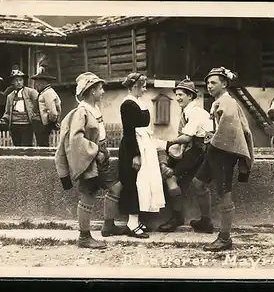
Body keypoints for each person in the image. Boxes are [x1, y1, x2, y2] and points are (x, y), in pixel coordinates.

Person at [55, 72, 127, 249]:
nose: (103, 92)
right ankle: (84, 237)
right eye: (100, 88)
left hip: (100, 156)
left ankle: (108, 225)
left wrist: (103, 151)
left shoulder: (94, 109)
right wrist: (95, 153)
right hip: (90, 159)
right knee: (88, 195)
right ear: (92, 91)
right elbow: (76, 139)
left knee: (116, 187)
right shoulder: (81, 112)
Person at [190, 67, 254, 252]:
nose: (209, 86)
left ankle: (225, 238)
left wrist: (213, 141)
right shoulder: (219, 101)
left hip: (224, 153)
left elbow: (230, 129)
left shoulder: (229, 103)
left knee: (224, 193)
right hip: (215, 150)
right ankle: (205, 221)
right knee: (198, 183)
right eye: (208, 83)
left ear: (224, 84)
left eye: (213, 83)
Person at [157, 77, 213, 232]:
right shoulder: (188, 111)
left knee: (171, 176)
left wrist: (167, 143)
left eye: (181, 94)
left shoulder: (195, 112)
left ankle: (177, 217)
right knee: (172, 174)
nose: (178, 98)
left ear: (191, 96)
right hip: (192, 148)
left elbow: (187, 137)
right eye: (177, 94)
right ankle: (203, 220)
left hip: (199, 149)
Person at [118, 72, 165, 239]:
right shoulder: (128, 104)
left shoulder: (139, 102)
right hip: (134, 147)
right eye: (142, 86)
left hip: (144, 144)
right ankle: (131, 223)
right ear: (133, 86)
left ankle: (136, 220)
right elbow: (129, 132)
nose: (145, 89)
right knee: (134, 182)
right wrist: (135, 155)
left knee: (143, 183)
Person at [0, 65, 39, 147]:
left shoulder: (31, 92)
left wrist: (36, 116)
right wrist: (4, 119)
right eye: (16, 80)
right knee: (17, 146)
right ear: (12, 82)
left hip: (27, 124)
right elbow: (7, 112)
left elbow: (39, 103)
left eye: (20, 80)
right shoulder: (10, 96)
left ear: (23, 81)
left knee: (27, 147)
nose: (18, 82)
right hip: (14, 125)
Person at [31, 65, 62, 147]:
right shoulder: (44, 93)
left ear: (44, 83)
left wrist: (49, 121)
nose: (37, 84)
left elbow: (53, 112)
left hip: (43, 124)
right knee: (40, 142)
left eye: (38, 82)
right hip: (40, 123)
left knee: (43, 143)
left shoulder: (48, 93)